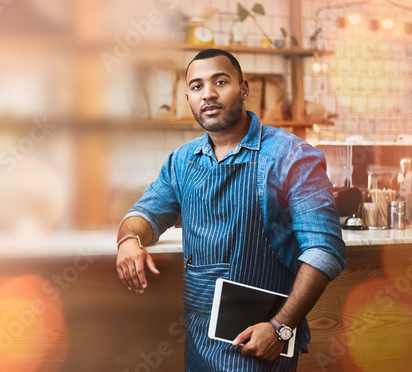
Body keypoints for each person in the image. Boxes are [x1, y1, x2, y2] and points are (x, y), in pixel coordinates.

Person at [114, 48, 346, 371]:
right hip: (198, 347)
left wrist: (281, 327)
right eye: (196, 87)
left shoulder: (292, 155)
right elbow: (144, 215)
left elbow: (325, 250)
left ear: (244, 89)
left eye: (219, 82)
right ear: (189, 98)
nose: (208, 94)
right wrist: (129, 241)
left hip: (261, 344)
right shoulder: (183, 161)